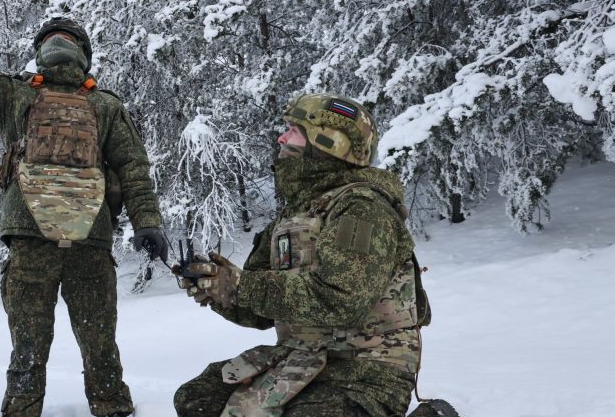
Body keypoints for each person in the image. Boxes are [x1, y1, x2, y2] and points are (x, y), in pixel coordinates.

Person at [0, 0, 169, 417]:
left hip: (29, 241)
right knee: (100, 346)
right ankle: (112, 409)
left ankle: (22, 410)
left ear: (40, 55)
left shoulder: (15, 96)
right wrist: (147, 222)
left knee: (28, 348)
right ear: (84, 56)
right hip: (90, 240)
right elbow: (133, 168)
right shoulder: (104, 105)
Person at [173, 93, 440, 417]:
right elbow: (260, 314)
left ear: (330, 142)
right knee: (197, 399)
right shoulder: (291, 218)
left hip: (366, 369)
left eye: (294, 131)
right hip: (300, 358)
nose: (281, 138)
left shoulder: (362, 209)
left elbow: (340, 301)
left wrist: (242, 285)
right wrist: (219, 288)